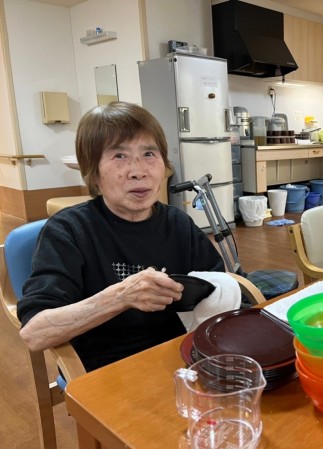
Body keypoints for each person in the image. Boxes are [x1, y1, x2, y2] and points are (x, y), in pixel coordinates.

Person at [17, 102, 225, 372]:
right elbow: (35, 333)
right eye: (119, 156)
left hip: (182, 354)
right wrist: (121, 297)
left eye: (149, 153)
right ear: (93, 172)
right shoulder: (68, 231)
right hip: (108, 368)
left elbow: (221, 287)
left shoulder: (178, 223)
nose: (138, 171)